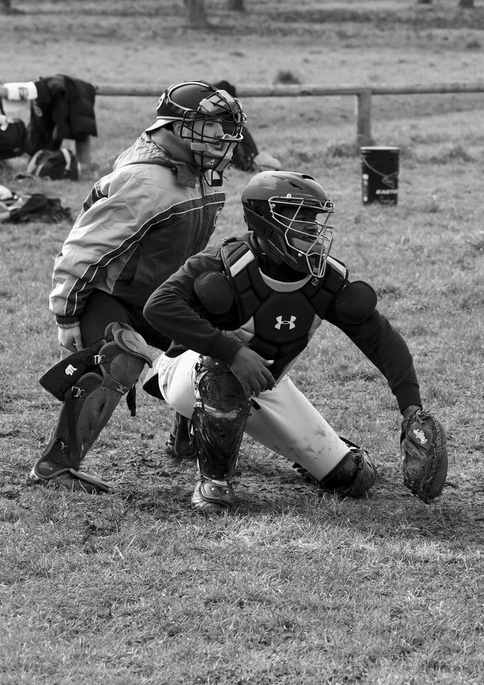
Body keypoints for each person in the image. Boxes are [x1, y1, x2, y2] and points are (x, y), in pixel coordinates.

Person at [115, 170, 439, 510]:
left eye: (315, 222)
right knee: (223, 372)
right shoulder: (224, 263)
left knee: (353, 477)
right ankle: (213, 482)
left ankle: (302, 448)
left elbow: (380, 338)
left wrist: (411, 408)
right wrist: (231, 351)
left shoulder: (322, 279)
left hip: (266, 383)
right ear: (267, 222)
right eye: (301, 220)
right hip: (188, 370)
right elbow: (158, 307)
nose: (313, 231)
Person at [26, 81, 247, 492]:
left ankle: (192, 436)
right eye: (211, 127)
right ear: (177, 126)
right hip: (109, 298)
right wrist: (67, 313)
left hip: (157, 297)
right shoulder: (146, 180)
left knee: (212, 345)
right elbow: (85, 249)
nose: (221, 138)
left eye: (225, 128)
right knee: (119, 358)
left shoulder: (202, 170)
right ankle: (56, 464)